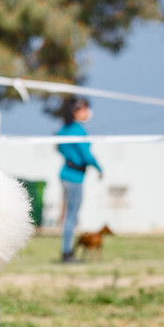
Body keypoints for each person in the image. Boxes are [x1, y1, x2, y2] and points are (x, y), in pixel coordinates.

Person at [56, 96, 102, 263]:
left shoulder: (64, 129)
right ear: (77, 111)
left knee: (69, 215)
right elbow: (86, 155)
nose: (88, 113)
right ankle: (67, 252)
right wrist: (99, 168)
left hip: (66, 174)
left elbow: (59, 147)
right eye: (85, 109)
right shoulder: (77, 130)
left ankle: (68, 251)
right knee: (71, 216)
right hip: (74, 177)